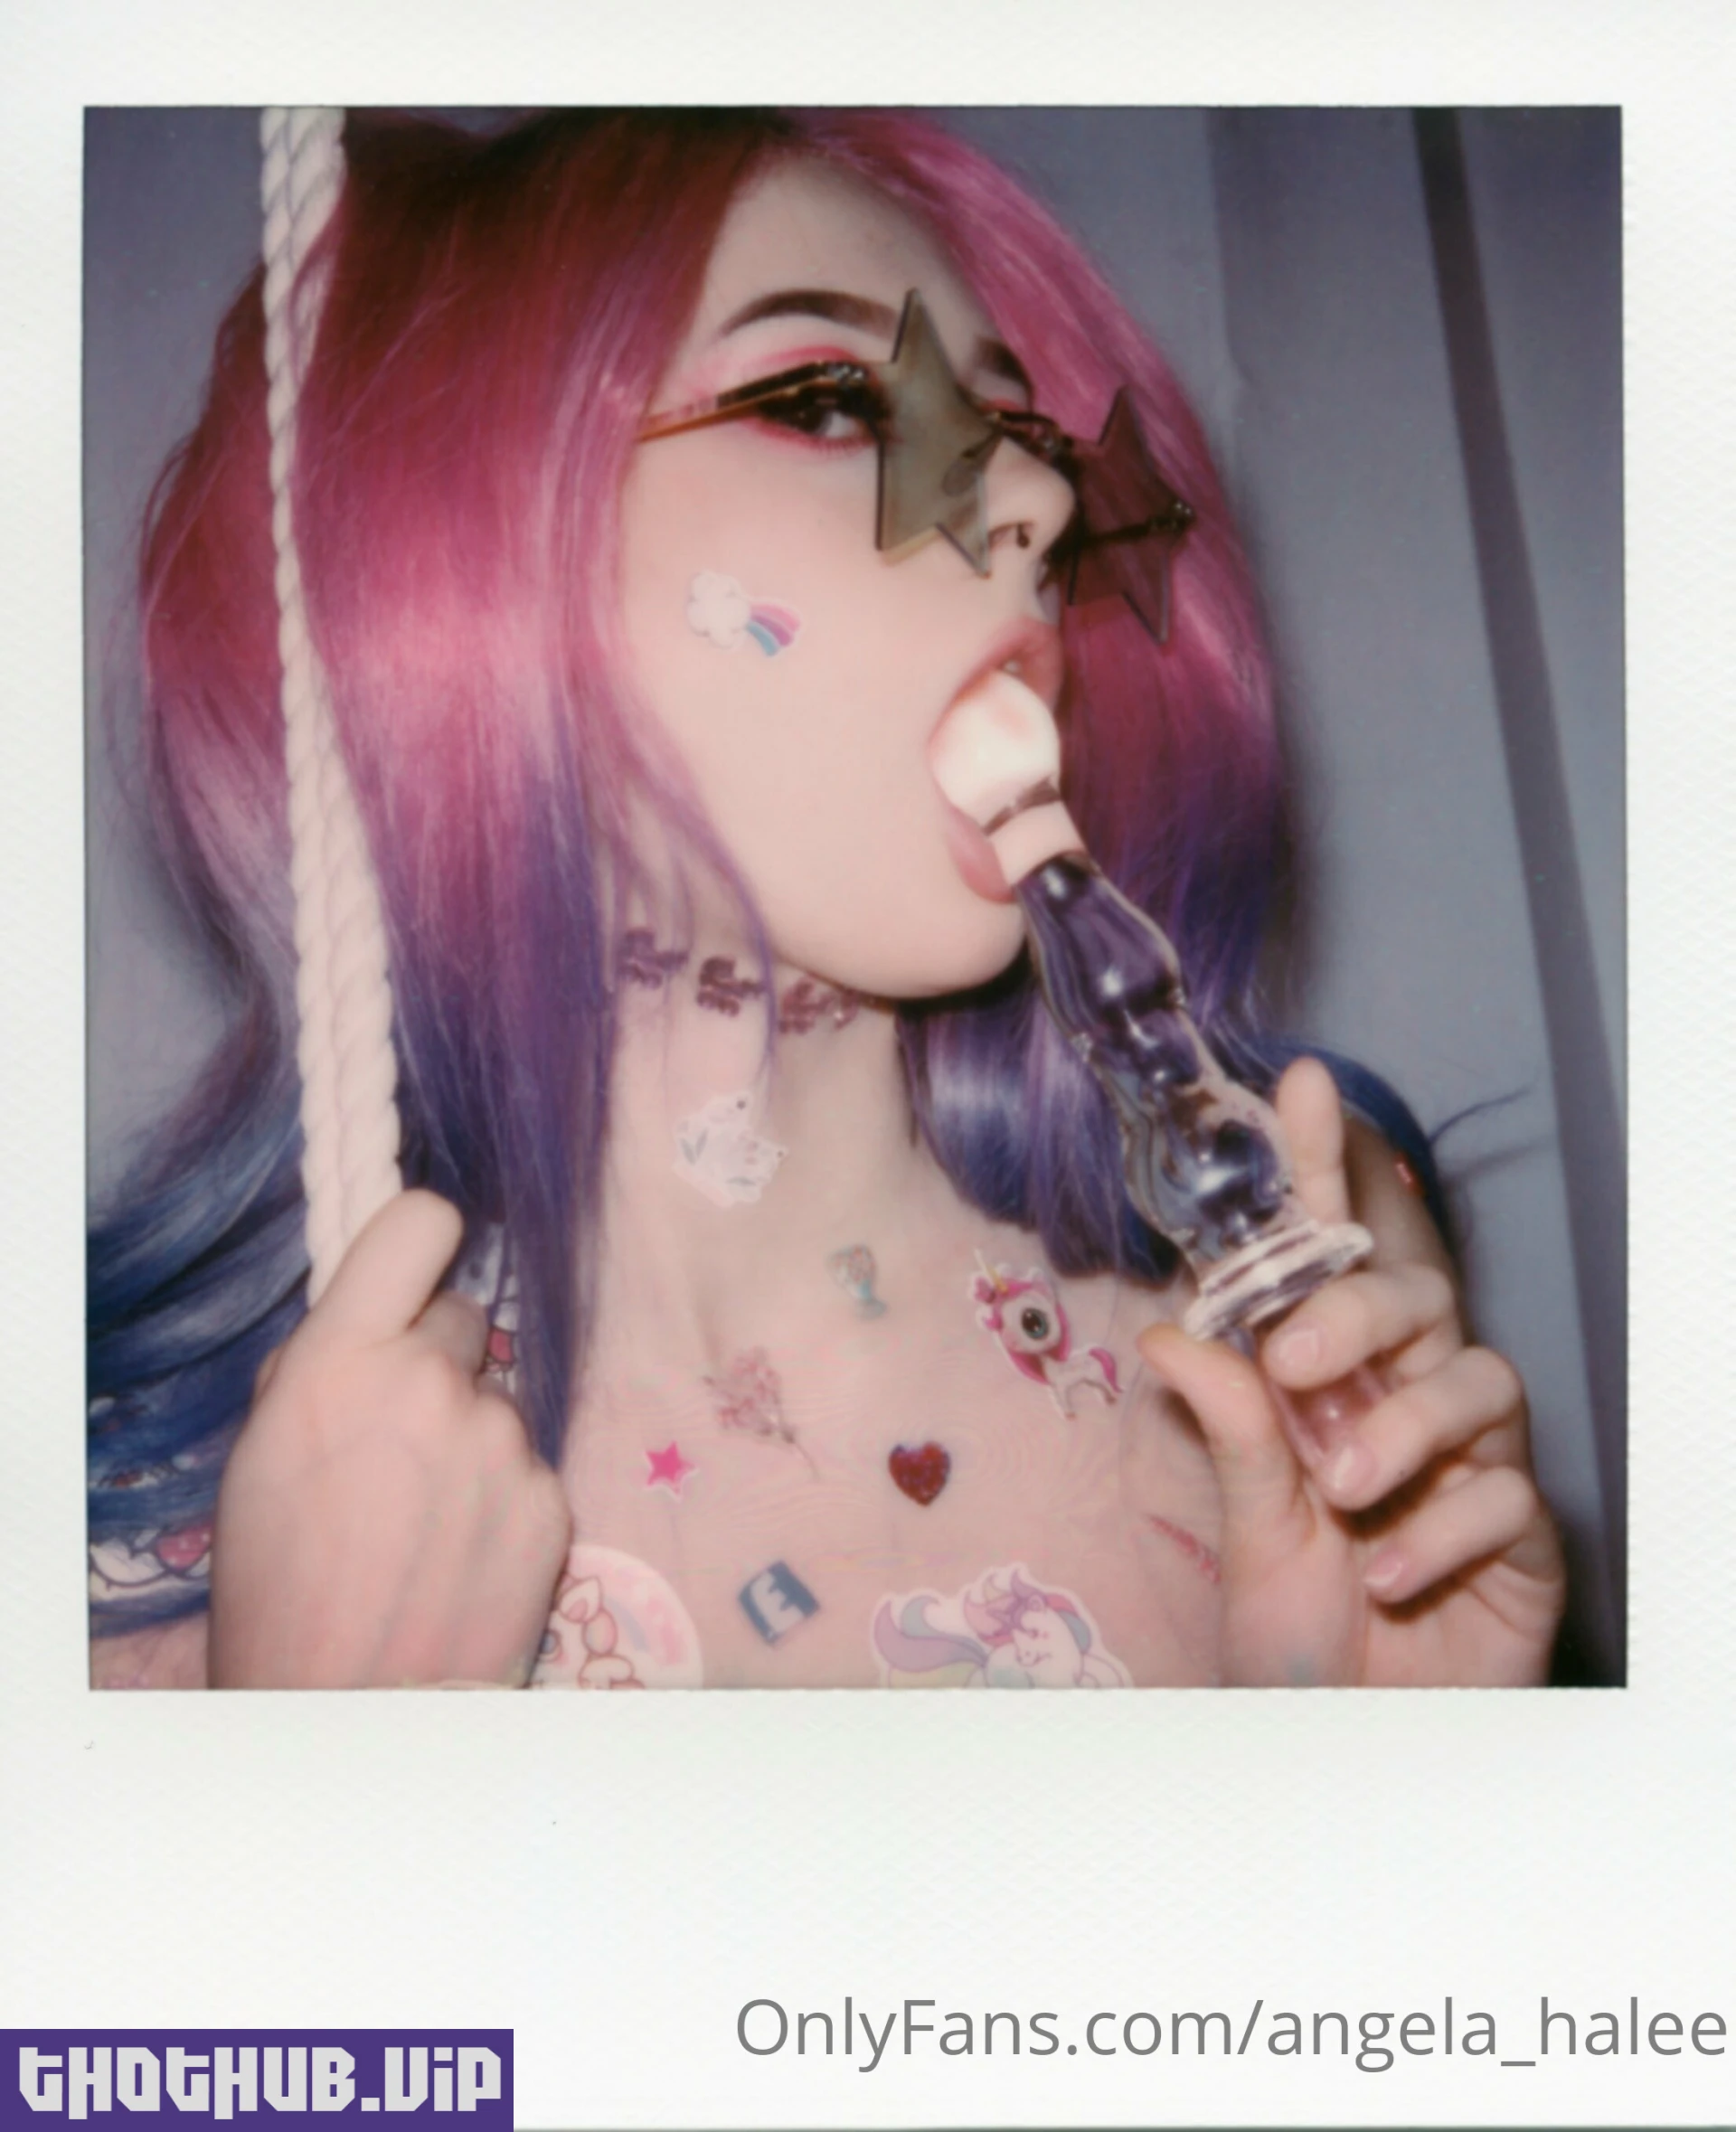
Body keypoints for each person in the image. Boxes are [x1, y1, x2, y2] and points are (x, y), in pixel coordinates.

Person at [87, 108, 1564, 1690]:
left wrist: (1379, 1763)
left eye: (1026, 431)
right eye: (833, 399)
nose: (1039, 500)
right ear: (446, 549)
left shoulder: (1294, 1349)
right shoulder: (150, 1562)